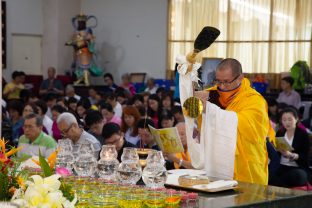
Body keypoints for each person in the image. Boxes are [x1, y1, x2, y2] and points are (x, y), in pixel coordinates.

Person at [187, 58, 272, 185]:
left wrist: (209, 109)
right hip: (217, 165)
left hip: (245, 166)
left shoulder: (254, 100)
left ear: (240, 78)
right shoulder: (211, 94)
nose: (221, 86)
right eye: (218, 81)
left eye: (226, 82)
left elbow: (244, 124)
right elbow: (196, 117)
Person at [269, 108, 310, 187]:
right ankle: (281, 184)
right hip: (281, 166)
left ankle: (279, 184)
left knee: (299, 176)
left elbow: (305, 156)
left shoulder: (302, 134)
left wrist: (292, 155)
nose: (287, 122)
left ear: (296, 119)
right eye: (284, 120)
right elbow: (276, 154)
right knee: (268, 173)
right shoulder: (280, 133)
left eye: (290, 119)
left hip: (296, 167)